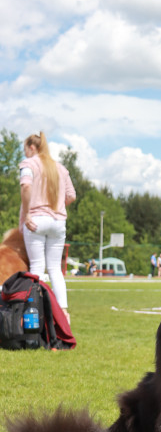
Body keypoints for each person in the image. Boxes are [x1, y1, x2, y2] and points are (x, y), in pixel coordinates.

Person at [19, 131, 76, 322]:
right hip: (58, 222)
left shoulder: (29, 164)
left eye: (25, 149)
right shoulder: (60, 168)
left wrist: (27, 213)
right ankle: (64, 315)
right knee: (55, 269)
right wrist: (57, 207)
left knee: (37, 267)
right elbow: (71, 196)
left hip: (36, 219)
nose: (25, 153)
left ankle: (35, 312)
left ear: (32, 147)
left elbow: (26, 186)